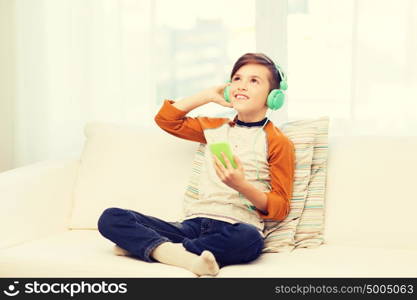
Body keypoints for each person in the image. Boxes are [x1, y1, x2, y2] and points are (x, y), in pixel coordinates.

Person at [97, 53, 295, 277]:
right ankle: (182, 255)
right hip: (192, 225)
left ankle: (157, 249)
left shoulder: (279, 142)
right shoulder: (212, 126)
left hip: (235, 227)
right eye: (237, 79)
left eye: (254, 81)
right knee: (111, 217)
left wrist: (241, 186)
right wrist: (206, 96)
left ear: (273, 96)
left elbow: (280, 208)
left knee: (250, 242)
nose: (241, 86)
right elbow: (166, 120)